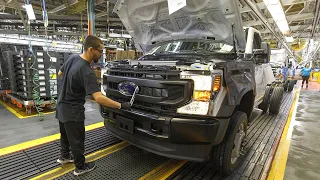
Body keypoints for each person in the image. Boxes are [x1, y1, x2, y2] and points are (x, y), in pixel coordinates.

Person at [55, 35, 131, 176]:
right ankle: (80, 167)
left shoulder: (72, 58)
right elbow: (99, 98)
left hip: (61, 106)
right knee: (77, 140)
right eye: (100, 51)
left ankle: (64, 156)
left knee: (65, 134)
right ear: (91, 49)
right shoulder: (86, 71)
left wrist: (72, 85)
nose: (101, 55)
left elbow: (60, 73)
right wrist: (121, 106)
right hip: (73, 110)